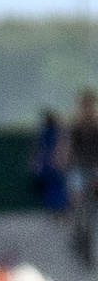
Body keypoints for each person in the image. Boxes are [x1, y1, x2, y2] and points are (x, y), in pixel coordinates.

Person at [66, 92, 98, 268]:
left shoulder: (95, 124)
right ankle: (78, 236)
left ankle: (87, 245)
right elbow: (69, 148)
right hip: (78, 168)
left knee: (91, 209)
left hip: (93, 168)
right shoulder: (76, 124)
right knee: (78, 206)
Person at [33, 109, 68, 214]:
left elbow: (41, 148)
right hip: (50, 162)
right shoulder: (48, 132)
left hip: (50, 161)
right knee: (52, 185)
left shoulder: (54, 132)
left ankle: (58, 206)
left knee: (56, 185)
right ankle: (56, 206)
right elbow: (40, 148)